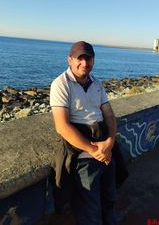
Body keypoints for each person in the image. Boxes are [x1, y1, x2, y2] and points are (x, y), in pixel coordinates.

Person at [50, 41, 119, 225]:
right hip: (84, 159)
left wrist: (109, 142)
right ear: (70, 59)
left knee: (109, 201)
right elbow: (62, 126)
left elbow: (110, 115)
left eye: (88, 59)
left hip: (106, 152)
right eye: (80, 59)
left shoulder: (96, 83)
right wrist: (95, 151)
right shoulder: (60, 84)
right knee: (90, 212)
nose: (84, 63)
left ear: (93, 61)